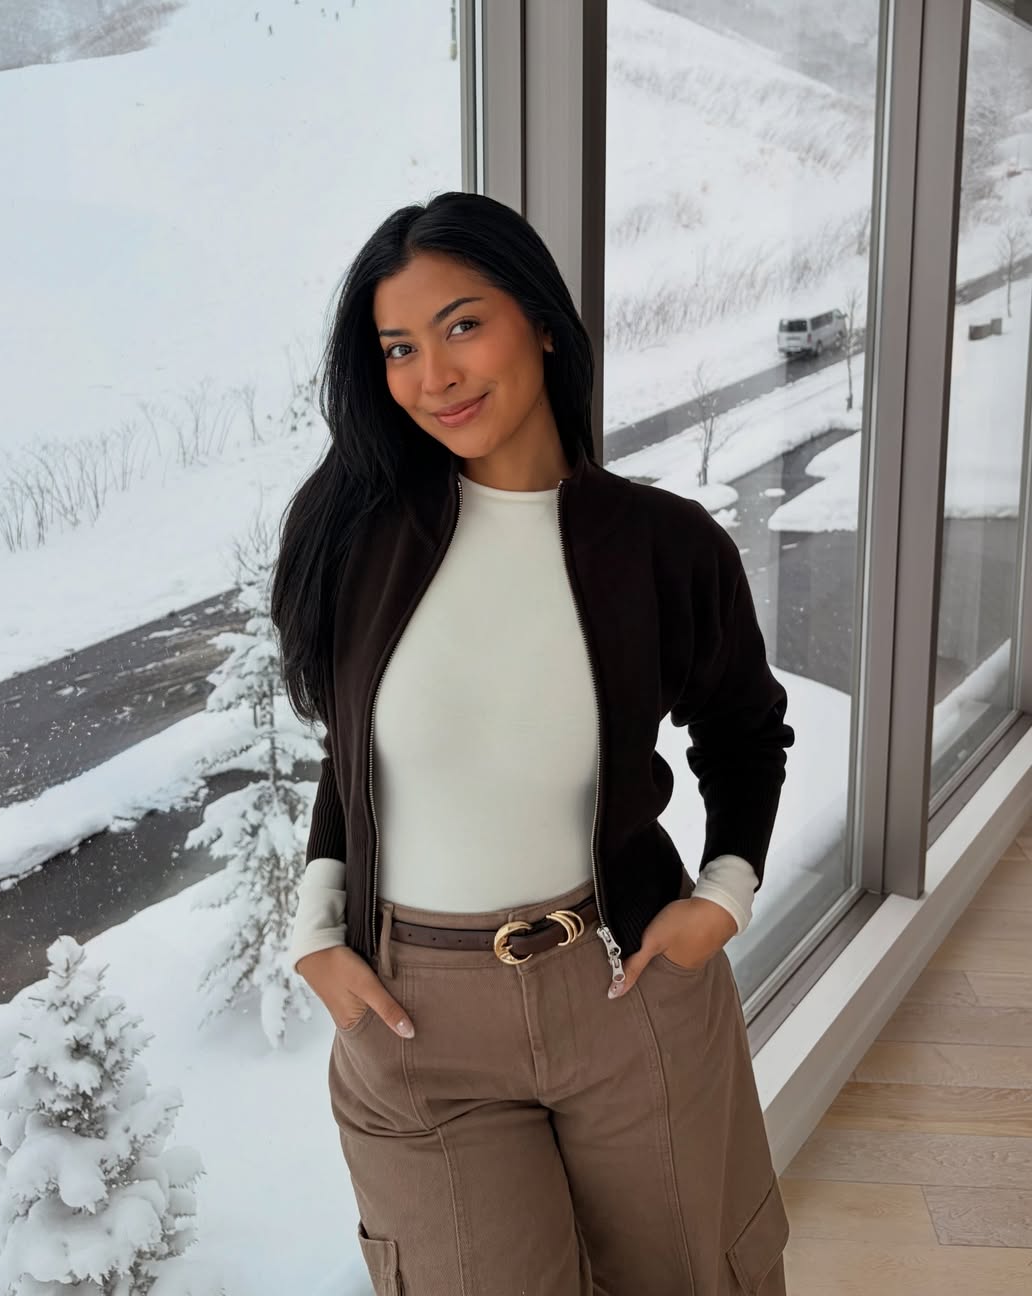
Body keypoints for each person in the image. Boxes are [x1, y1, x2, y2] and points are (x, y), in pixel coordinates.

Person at [270, 190, 795, 1296]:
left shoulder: (664, 546)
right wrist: (316, 928)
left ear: (543, 324)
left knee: (693, 1278)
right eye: (399, 348)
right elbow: (355, 757)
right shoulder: (361, 541)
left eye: (462, 325)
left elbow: (745, 730)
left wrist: (724, 895)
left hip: (626, 985)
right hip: (417, 1019)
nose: (434, 376)